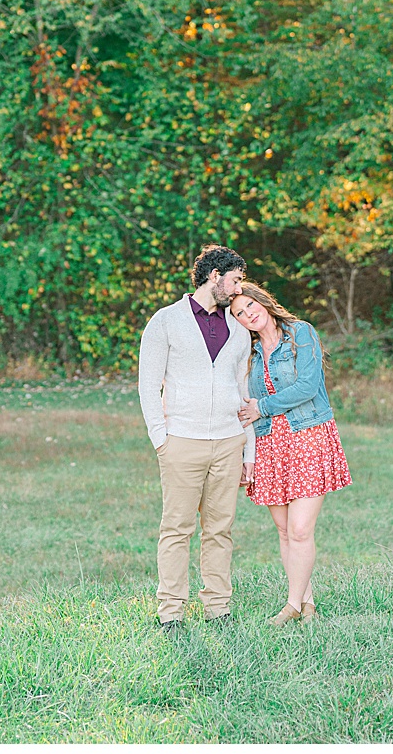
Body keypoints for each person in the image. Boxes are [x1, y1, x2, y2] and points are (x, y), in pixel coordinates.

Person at [137, 244, 256, 633]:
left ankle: (218, 607)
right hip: (181, 442)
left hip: (229, 442)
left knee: (220, 530)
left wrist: (248, 450)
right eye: (235, 280)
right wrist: (161, 438)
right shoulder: (166, 321)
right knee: (177, 529)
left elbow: (244, 392)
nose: (238, 289)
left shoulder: (239, 329)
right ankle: (171, 611)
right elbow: (148, 385)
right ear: (214, 276)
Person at [232, 281, 353, 625]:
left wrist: (263, 407)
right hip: (270, 444)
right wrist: (247, 453)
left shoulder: (300, 333)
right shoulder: (250, 353)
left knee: (300, 529)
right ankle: (307, 602)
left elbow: (308, 386)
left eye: (250, 305)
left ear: (263, 301)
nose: (248, 314)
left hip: (308, 436)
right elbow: (244, 406)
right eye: (239, 313)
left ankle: (291, 606)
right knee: (285, 531)